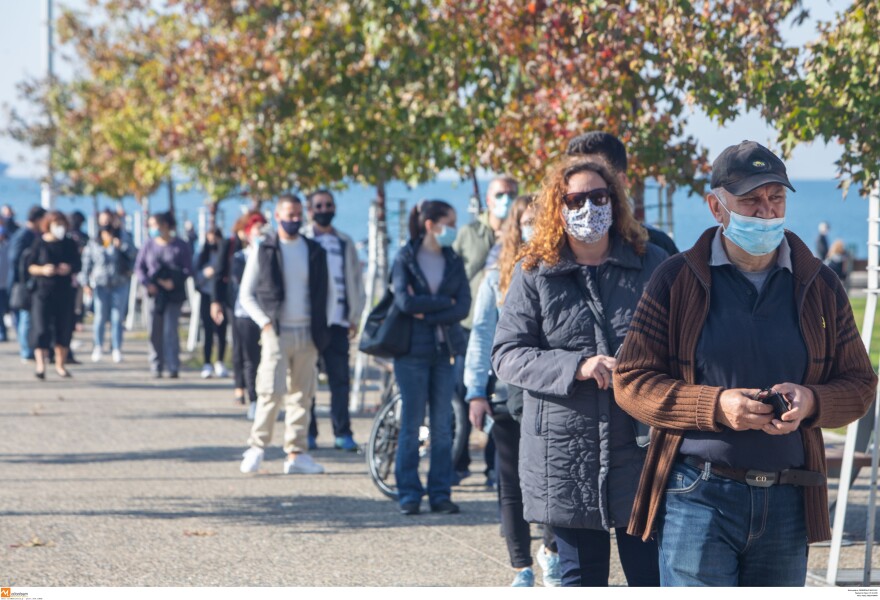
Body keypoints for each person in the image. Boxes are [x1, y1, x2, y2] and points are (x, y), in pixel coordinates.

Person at [613, 141, 877, 587]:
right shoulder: (675, 279)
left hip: (789, 499)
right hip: (697, 496)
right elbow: (631, 381)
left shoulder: (821, 285)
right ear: (717, 207)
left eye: (775, 198)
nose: (765, 211)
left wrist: (811, 400)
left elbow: (861, 384)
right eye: (751, 199)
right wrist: (716, 406)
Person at [492, 156, 666, 587]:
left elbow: (685, 342)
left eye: (599, 196)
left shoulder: (653, 264)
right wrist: (578, 366)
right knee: (580, 583)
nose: (589, 207)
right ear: (559, 206)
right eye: (576, 199)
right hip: (563, 457)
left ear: (615, 201)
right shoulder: (534, 273)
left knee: (652, 579)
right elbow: (507, 354)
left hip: (638, 450)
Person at [465, 194, 562, 587]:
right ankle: (521, 565)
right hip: (506, 392)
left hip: (552, 391)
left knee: (556, 478)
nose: (531, 227)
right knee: (512, 481)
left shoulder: (561, 271)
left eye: (538, 220)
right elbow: (481, 336)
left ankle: (552, 552)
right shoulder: (495, 279)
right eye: (525, 221)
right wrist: (474, 390)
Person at [237, 194, 335, 475]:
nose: (293, 220)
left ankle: (296, 452)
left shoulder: (315, 251)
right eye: (288, 215)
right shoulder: (264, 249)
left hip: (308, 331)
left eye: (297, 215)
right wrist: (264, 323)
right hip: (276, 332)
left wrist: (324, 324)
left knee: (302, 395)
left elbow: (329, 293)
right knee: (270, 390)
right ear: (276, 217)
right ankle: (257, 447)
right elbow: (246, 294)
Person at [391, 200, 471, 515]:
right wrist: (443, 303)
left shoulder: (453, 259)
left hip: (444, 351)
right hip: (411, 352)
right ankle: (409, 493)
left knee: (442, 427)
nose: (453, 229)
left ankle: (440, 492)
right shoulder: (406, 257)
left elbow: (463, 305)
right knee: (411, 425)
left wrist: (428, 307)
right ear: (431, 224)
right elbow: (404, 303)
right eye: (449, 222)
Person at [451, 175, 518, 484]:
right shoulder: (470, 233)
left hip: (507, 331)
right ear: (489, 199)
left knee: (501, 402)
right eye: (501, 194)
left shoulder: (521, 232)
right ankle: (460, 461)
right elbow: (456, 273)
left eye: (511, 194)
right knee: (471, 395)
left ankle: (495, 467)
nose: (506, 198)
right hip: (472, 326)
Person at [303, 189, 366, 451]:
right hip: (310, 323)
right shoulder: (304, 240)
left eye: (329, 205)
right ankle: (308, 432)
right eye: (319, 206)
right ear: (310, 210)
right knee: (308, 381)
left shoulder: (344, 242)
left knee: (340, 380)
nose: (325, 209)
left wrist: (354, 316)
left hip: (339, 323)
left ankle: (343, 432)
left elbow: (355, 281)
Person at [567, 131, 679, 256]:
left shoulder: (657, 248)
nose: (583, 185)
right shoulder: (548, 252)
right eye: (572, 174)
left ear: (621, 181)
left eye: (597, 173)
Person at [134, 211, 193, 378]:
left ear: (165, 225)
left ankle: (173, 365)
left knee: (170, 330)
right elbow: (139, 268)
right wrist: (148, 283)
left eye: (155, 225)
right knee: (154, 330)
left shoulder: (180, 245)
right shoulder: (148, 245)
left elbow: (188, 269)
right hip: (154, 294)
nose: (153, 229)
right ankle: (156, 364)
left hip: (173, 294)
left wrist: (174, 281)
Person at [24, 211, 82, 379]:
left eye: (62, 224)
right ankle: (41, 366)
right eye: (57, 224)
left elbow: (77, 264)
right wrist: (43, 270)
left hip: (63, 292)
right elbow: (29, 266)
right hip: (42, 292)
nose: (60, 228)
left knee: (63, 329)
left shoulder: (69, 243)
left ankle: (60, 364)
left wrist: (68, 268)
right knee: (41, 328)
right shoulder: (39, 243)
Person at [80, 211, 137, 363]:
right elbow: (86, 263)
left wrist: (121, 246)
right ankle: (98, 346)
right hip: (100, 284)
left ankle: (116, 348)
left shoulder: (124, 237)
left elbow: (134, 256)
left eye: (108, 220)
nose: (106, 224)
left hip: (120, 282)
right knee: (100, 316)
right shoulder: (94, 241)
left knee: (117, 317)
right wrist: (85, 283)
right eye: (102, 221)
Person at [8, 206, 47, 362]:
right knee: (25, 316)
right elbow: (15, 258)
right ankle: (26, 350)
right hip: (23, 282)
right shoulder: (24, 235)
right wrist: (25, 277)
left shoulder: (31, 234)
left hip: (28, 281)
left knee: (27, 317)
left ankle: (28, 348)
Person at [195, 226, 229, 379]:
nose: (212, 241)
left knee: (221, 331)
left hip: (222, 297)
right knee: (207, 330)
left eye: (215, 238)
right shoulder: (202, 255)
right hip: (206, 296)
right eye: (210, 238)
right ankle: (207, 362)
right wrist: (205, 274)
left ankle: (220, 361)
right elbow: (195, 276)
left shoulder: (225, 254)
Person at [0, 224, 10, 342]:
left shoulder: (8, 246)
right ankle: (2, 332)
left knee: (5, 310)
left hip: (6, 285)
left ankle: (4, 332)